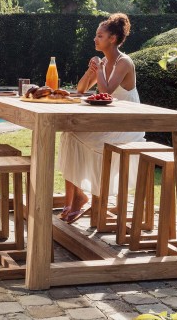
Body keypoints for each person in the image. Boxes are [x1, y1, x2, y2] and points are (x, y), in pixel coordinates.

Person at [57, 13, 145, 223]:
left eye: (99, 36)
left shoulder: (124, 62)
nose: (95, 39)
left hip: (127, 126)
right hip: (111, 121)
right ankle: (73, 199)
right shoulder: (105, 61)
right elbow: (80, 89)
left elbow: (106, 91)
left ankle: (82, 199)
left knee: (77, 137)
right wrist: (91, 71)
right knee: (68, 133)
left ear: (112, 39)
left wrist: (101, 69)